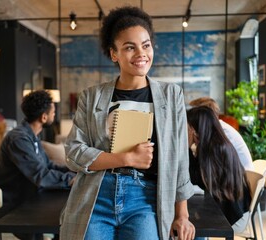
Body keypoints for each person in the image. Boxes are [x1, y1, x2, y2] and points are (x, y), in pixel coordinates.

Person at [60, 6, 195, 240]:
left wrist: (182, 214)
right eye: (129, 47)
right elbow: (73, 153)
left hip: (145, 198)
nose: (141, 53)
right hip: (95, 195)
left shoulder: (172, 96)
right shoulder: (91, 97)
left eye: (146, 45)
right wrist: (126, 159)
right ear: (114, 54)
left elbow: (180, 157)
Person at [0, 90, 76, 240]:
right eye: (53, 112)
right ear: (44, 117)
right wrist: (70, 179)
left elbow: (48, 166)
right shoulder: (18, 139)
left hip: (30, 196)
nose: (54, 115)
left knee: (66, 217)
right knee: (63, 219)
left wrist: (74, 170)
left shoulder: (31, 136)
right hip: (16, 207)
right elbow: (40, 175)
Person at [187, 106, 251, 233]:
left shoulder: (216, 149)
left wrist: (187, 146)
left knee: (189, 222)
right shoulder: (216, 143)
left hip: (232, 216)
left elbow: (196, 179)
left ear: (194, 129)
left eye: (188, 127)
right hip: (232, 209)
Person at [189, 97, 254, 170]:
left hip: (243, 176)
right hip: (239, 174)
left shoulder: (221, 132)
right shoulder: (219, 127)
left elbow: (208, 159)